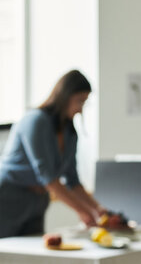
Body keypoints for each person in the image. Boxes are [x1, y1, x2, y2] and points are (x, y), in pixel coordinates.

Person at [0, 69, 107, 238]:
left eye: (84, 103)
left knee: (34, 255)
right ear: (65, 96)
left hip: (38, 201)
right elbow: (48, 178)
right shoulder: (36, 121)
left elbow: (73, 180)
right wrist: (84, 211)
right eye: (79, 101)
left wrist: (100, 211)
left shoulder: (70, 132)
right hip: (9, 197)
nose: (80, 109)